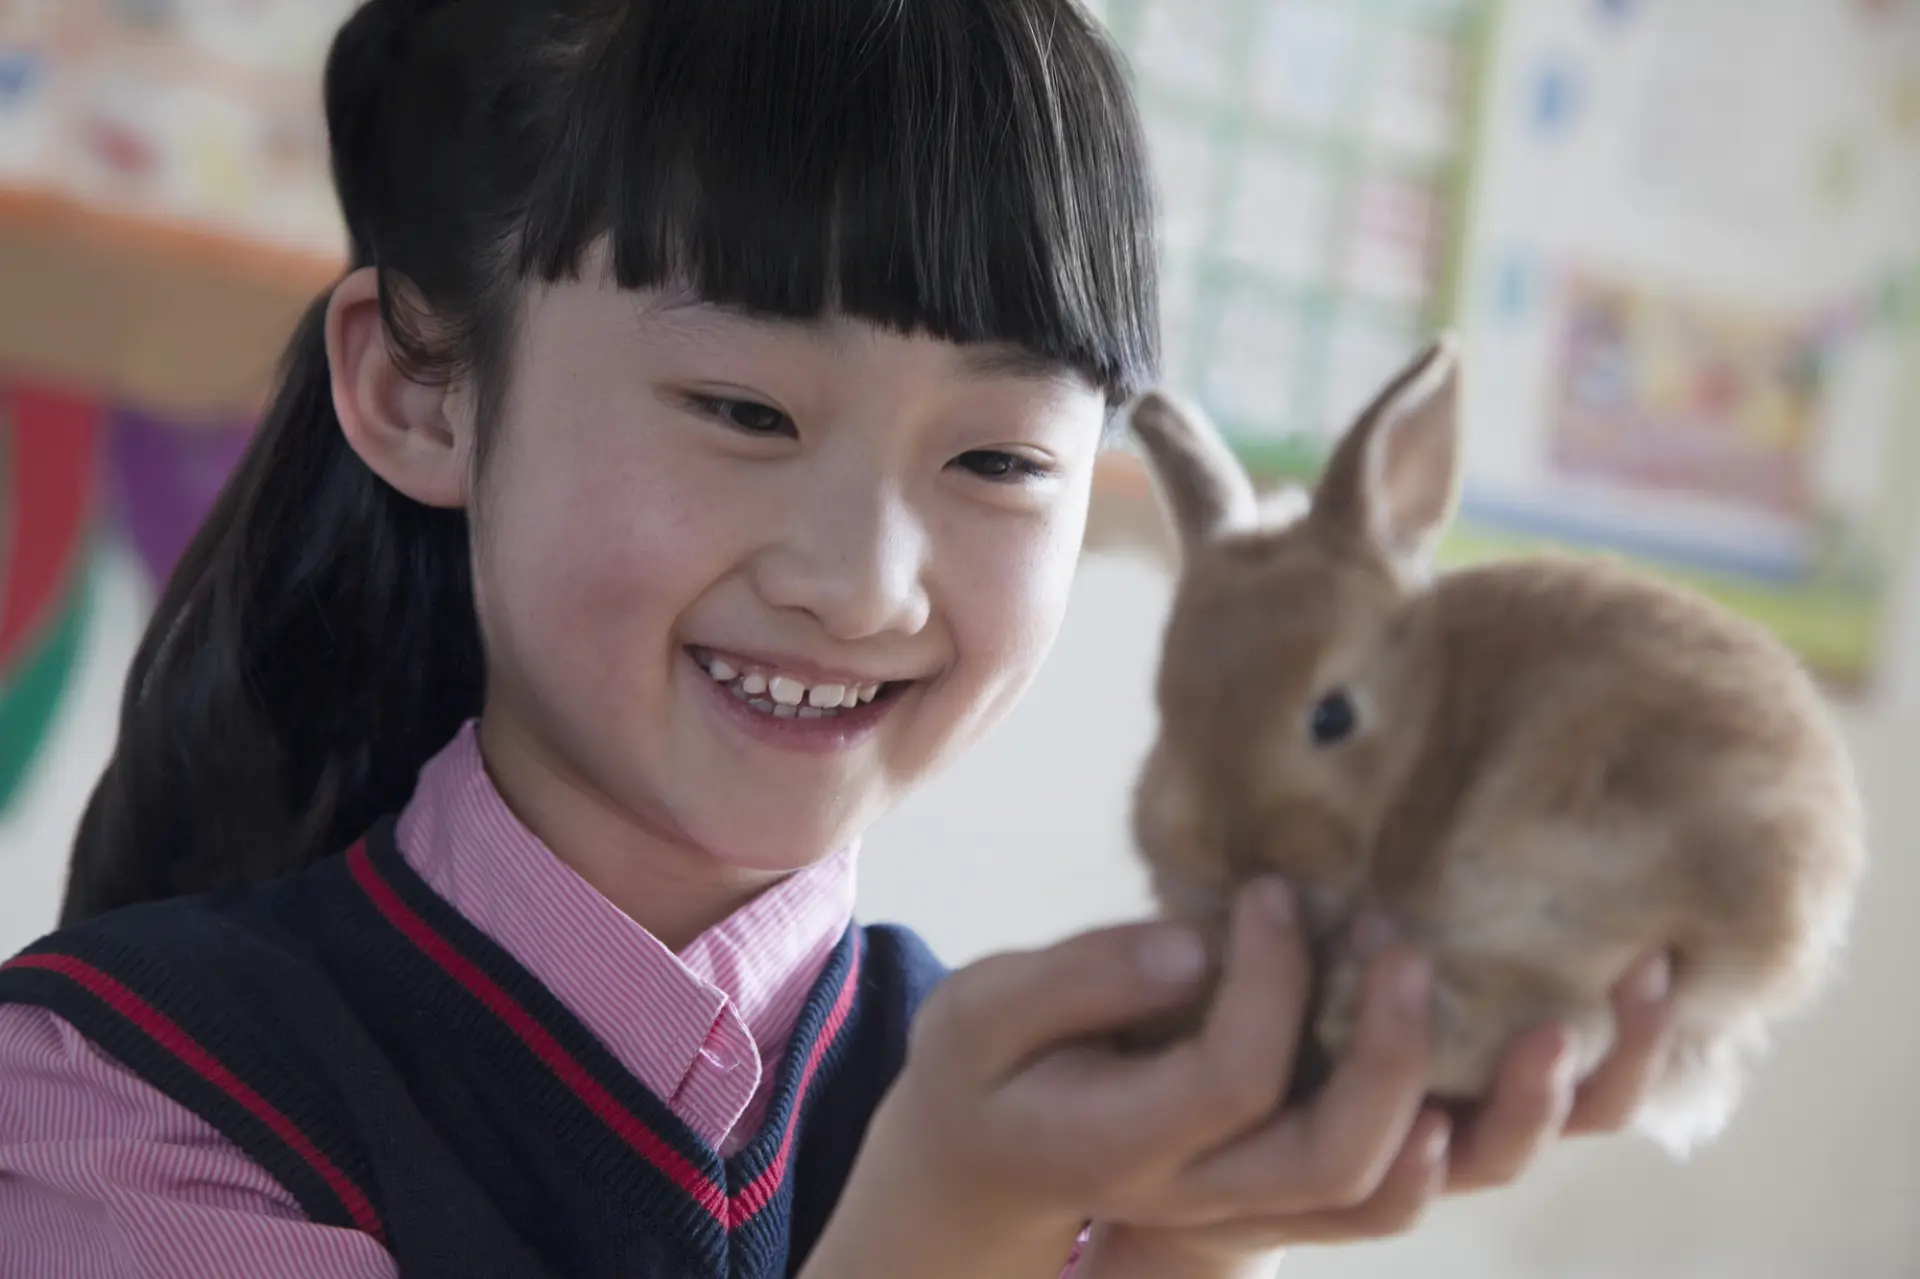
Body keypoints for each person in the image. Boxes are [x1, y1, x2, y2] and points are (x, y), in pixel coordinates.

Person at [0, 0, 1675, 1275]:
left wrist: (1182, 1244)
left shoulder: (1044, 1124)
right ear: (421, 387)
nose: (867, 584)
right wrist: (955, 1217)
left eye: (999, 459)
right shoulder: (117, 1099)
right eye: (746, 409)